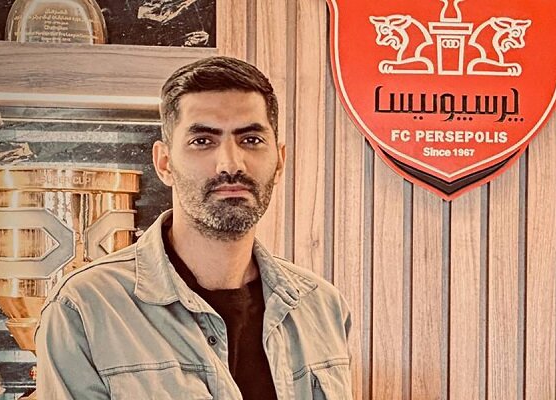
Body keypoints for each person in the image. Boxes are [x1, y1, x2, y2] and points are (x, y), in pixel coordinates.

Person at [35, 56, 352, 399]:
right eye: (203, 141)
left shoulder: (322, 307)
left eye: (251, 140)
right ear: (164, 163)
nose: (230, 164)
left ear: (279, 162)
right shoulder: (85, 308)